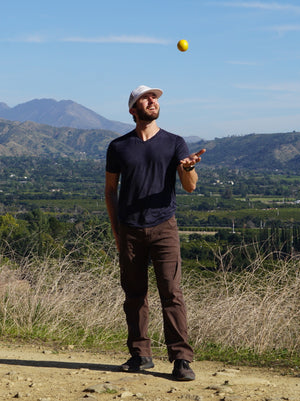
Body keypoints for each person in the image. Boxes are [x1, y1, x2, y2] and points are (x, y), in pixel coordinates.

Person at [104, 85, 206, 381]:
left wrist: (187, 168)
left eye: (155, 98)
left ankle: (181, 360)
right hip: (130, 230)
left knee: (171, 293)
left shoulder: (175, 143)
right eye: (146, 98)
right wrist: (117, 230)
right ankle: (140, 355)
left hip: (164, 228)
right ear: (133, 109)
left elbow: (190, 186)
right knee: (134, 295)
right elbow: (111, 192)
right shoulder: (118, 146)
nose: (153, 100)